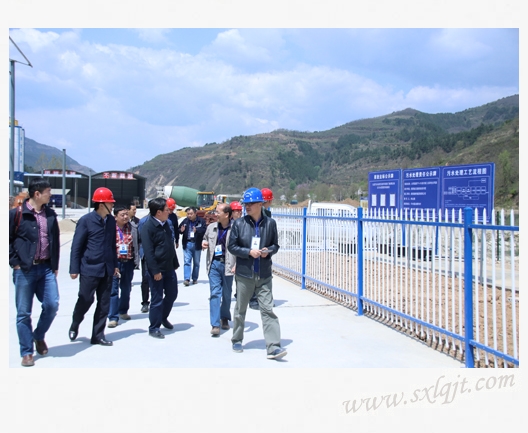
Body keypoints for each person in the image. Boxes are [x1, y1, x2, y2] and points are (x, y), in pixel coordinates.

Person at [228, 187, 286, 360]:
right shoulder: (239, 224)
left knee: (268, 310)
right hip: (244, 275)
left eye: (251, 204)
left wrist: (269, 250)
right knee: (240, 309)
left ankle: (273, 346)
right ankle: (237, 339)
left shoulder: (270, 223)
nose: (247, 207)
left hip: (264, 274)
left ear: (261, 204)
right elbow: (232, 246)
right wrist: (248, 252)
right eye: (246, 204)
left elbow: (276, 245)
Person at [9, 178, 60, 367]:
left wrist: (54, 265)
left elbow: (55, 241)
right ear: (37, 194)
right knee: (23, 312)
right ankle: (27, 352)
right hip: (25, 269)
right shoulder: (17, 214)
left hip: (46, 268)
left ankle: (38, 335)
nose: (50, 195)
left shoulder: (50, 215)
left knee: (52, 304)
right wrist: (14, 262)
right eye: (48, 192)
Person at [69, 187, 119, 346]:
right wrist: (74, 268)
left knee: (104, 304)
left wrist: (115, 265)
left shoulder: (111, 221)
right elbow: (76, 246)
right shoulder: (86, 221)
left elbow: (112, 245)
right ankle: (75, 322)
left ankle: (97, 335)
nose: (112, 206)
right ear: (101, 204)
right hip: (89, 268)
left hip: (107, 268)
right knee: (85, 299)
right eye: (110, 203)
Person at [141, 198, 179, 339]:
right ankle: (154, 327)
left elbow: (169, 245)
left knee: (172, 294)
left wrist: (174, 262)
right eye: (166, 210)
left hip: (169, 267)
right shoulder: (148, 227)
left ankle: (163, 317)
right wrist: (155, 271)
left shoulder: (166, 224)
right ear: (158, 212)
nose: (169, 212)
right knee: (156, 299)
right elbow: (148, 252)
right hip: (157, 270)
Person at [202, 203, 235, 335]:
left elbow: (240, 247)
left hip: (228, 265)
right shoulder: (211, 227)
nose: (215, 214)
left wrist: (237, 264)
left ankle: (224, 317)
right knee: (215, 293)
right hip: (214, 264)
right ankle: (215, 324)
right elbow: (205, 238)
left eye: (218, 212)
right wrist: (204, 243)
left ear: (226, 214)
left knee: (226, 294)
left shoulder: (235, 229)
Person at [107, 205, 140, 328]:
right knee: (113, 290)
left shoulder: (132, 227)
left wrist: (136, 260)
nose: (126, 217)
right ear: (115, 217)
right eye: (122, 215)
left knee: (126, 288)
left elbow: (137, 244)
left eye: (127, 214)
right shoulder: (110, 228)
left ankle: (123, 311)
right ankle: (113, 317)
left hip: (128, 262)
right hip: (115, 263)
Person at [179, 206, 206, 286]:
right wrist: (181, 230)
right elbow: (179, 229)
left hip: (197, 243)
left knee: (196, 262)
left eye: (191, 214)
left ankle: (194, 278)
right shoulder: (185, 221)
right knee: (187, 261)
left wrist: (197, 230)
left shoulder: (201, 221)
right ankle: (186, 279)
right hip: (187, 243)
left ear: (195, 213)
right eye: (188, 214)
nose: (189, 215)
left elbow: (204, 230)